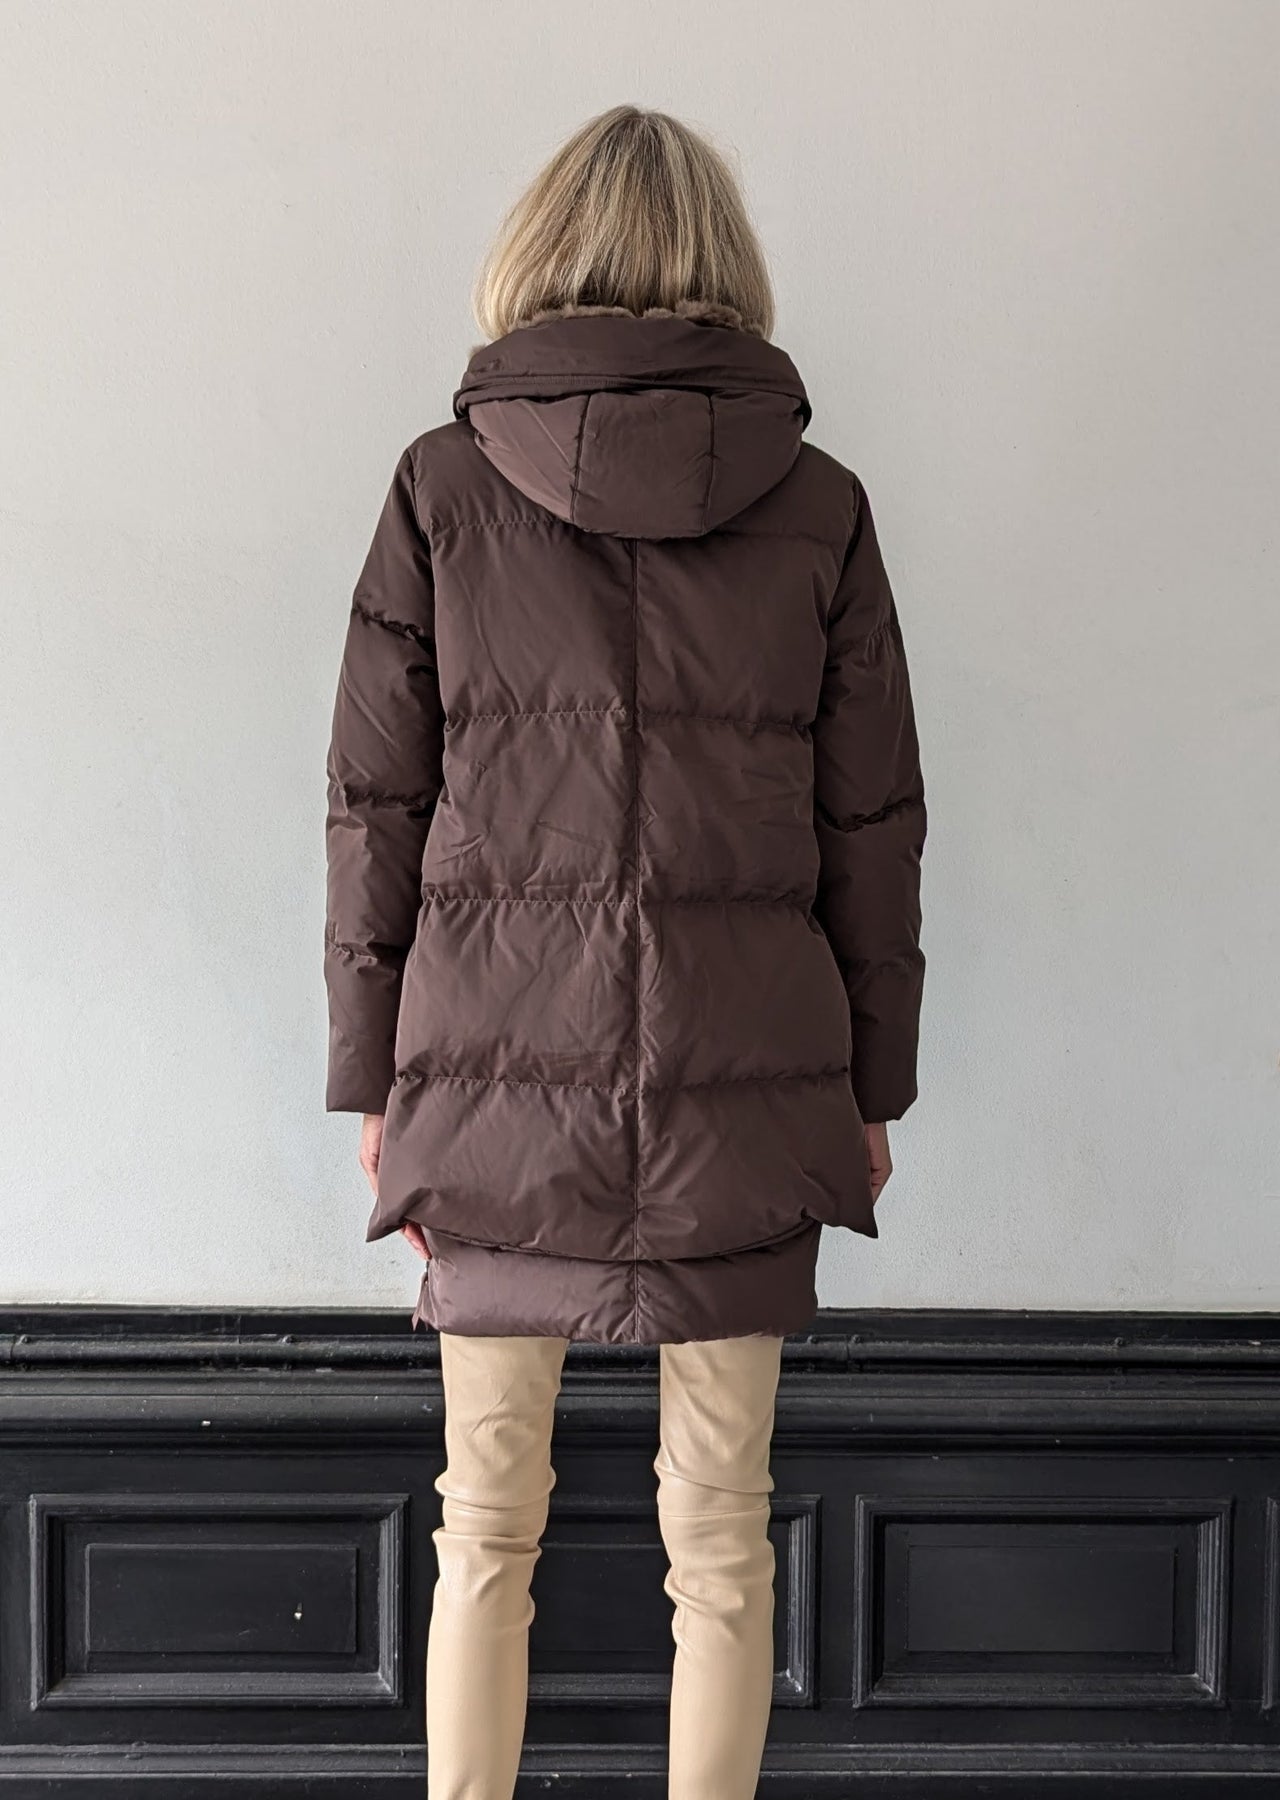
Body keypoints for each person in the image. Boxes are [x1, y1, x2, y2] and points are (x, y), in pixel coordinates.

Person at [324, 103, 925, 1800]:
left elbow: (374, 807)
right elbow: (874, 825)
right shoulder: (820, 504)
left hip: (484, 1071)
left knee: (482, 1527)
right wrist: (873, 1089)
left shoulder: (442, 487)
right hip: (753, 1076)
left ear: (537, 249)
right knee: (722, 1540)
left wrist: (373, 1080)